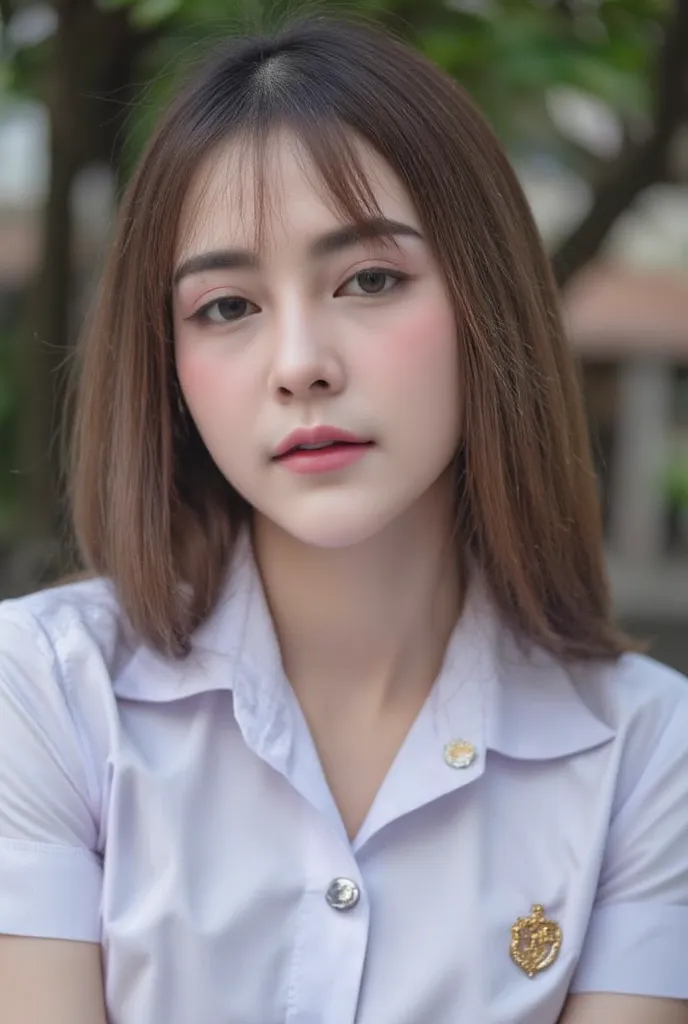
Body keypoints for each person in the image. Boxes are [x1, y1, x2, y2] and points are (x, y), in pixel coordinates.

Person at [0, 15, 687, 1024]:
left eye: (369, 279)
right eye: (227, 306)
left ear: (485, 302)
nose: (299, 364)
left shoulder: (646, 755)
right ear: (169, 365)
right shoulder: (48, 695)